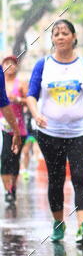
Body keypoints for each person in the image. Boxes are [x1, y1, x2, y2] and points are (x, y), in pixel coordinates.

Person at [27, 20, 83, 245]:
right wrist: (35, 114)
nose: (60, 37)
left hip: (81, 130)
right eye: (56, 34)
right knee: (56, 178)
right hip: (50, 132)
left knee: (80, 177)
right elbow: (31, 95)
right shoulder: (43, 64)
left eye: (65, 33)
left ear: (73, 37)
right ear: (52, 39)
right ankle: (58, 223)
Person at [1, 55, 28, 204]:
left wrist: (18, 100)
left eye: (13, 63)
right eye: (7, 63)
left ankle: (13, 186)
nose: (10, 65)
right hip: (3, 127)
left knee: (14, 160)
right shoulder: (1, 82)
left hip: (19, 128)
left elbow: (30, 101)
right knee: (4, 159)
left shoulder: (21, 84)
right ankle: (8, 191)